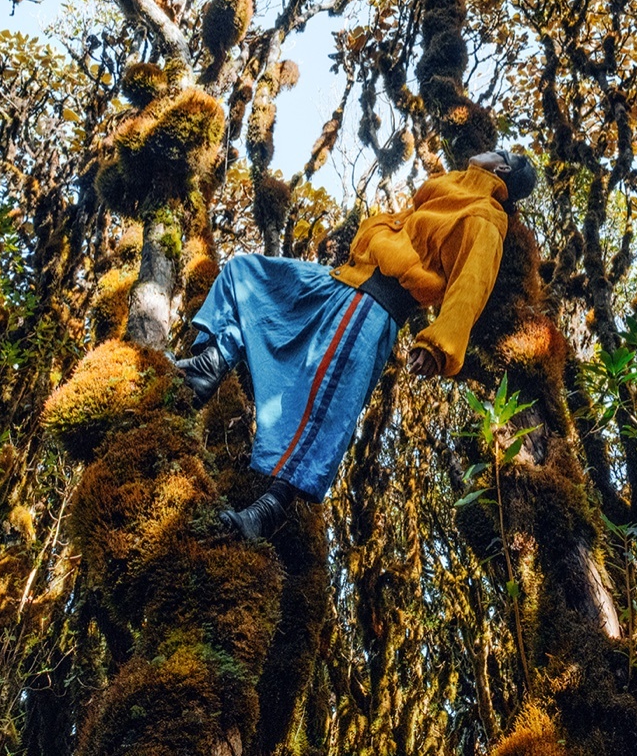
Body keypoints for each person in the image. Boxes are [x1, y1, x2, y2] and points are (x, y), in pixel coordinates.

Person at [177, 148, 539, 539]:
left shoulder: (484, 217)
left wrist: (438, 345)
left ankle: (266, 513)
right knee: (246, 274)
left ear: (501, 169)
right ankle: (208, 366)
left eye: (498, 151)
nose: (485, 149)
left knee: (325, 405)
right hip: (339, 282)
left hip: (374, 305)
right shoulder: (444, 192)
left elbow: (471, 285)